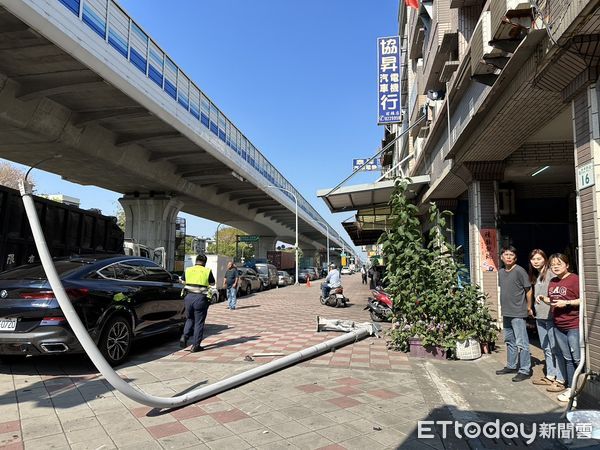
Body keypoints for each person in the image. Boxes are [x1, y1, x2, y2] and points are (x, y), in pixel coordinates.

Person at [539, 253, 580, 403]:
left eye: (559, 263)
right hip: (558, 325)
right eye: (553, 264)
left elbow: (584, 299)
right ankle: (571, 388)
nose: (555, 267)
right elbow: (555, 300)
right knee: (568, 358)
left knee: (577, 359)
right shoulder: (553, 281)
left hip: (573, 325)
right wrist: (544, 299)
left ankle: (579, 390)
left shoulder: (575, 279)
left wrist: (567, 304)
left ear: (567, 265)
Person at [528, 249, 566, 392]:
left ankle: (560, 378)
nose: (536, 261)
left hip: (550, 316)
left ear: (545, 259)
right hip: (540, 317)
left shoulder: (551, 273)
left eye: (538, 259)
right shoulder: (538, 276)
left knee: (555, 348)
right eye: (533, 259)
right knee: (547, 348)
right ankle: (550, 375)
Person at [495, 246, 533, 382]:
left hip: (518, 312)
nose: (509, 257)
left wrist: (528, 307)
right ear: (501, 257)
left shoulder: (519, 271)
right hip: (506, 311)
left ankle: (525, 369)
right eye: (506, 254)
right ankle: (511, 366)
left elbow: (528, 290)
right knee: (509, 341)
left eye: (511, 255)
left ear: (515, 258)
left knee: (522, 342)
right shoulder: (500, 272)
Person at [180, 254, 215, 352]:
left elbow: (182, 281)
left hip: (188, 297)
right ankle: (195, 346)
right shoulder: (207, 271)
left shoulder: (188, 270)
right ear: (205, 262)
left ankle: (184, 336)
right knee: (199, 322)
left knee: (190, 318)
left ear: (196, 261)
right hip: (200, 298)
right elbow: (212, 283)